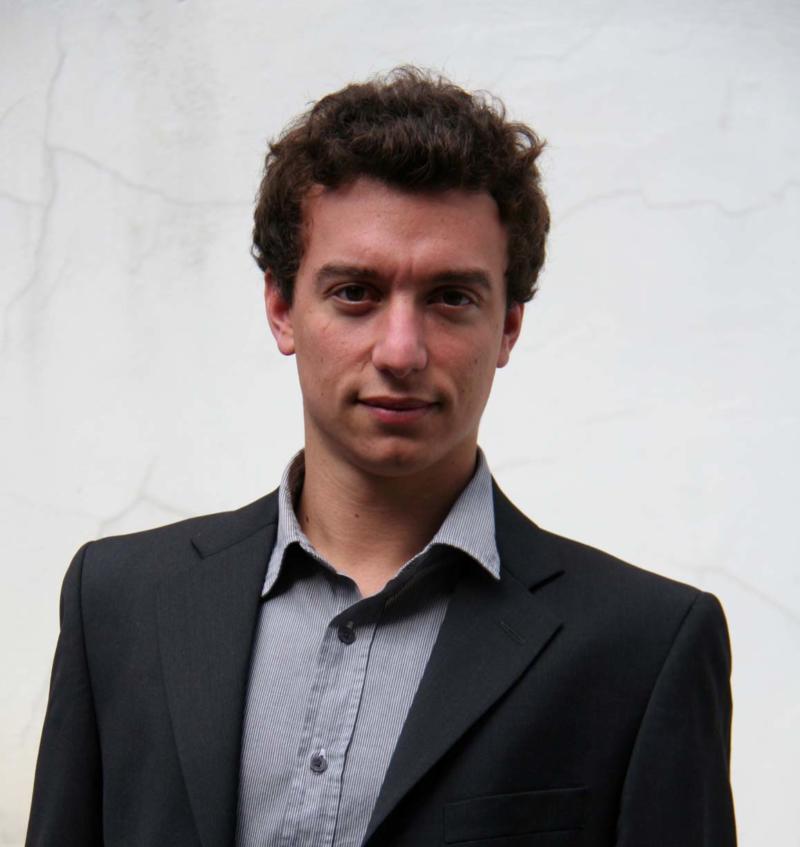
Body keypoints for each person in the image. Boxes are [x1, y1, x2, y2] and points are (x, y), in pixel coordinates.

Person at [26, 67, 736, 847]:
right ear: (281, 307)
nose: (401, 350)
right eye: (356, 293)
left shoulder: (645, 647)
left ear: (508, 326)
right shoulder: (118, 602)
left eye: (451, 298)